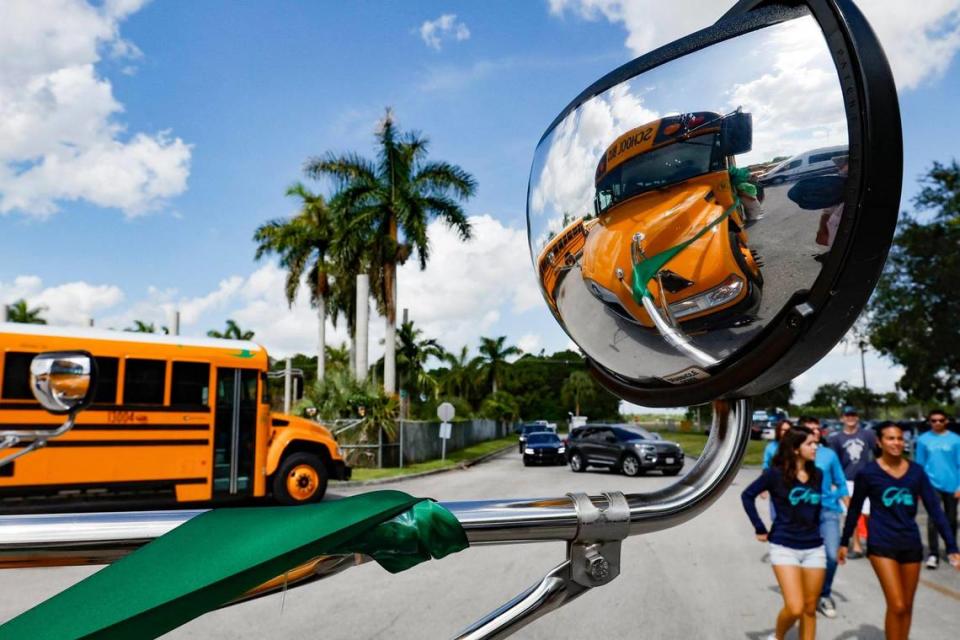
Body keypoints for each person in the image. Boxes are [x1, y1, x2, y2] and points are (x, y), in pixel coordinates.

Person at [839, 422, 960, 640]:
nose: (896, 443)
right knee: (896, 604)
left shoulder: (916, 472)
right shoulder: (869, 473)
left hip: (910, 543)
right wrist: (844, 541)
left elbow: (935, 510)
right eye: (890, 438)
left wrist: (952, 547)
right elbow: (855, 509)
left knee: (906, 606)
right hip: (881, 544)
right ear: (879, 442)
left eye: (900, 439)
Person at [742, 427, 825, 640]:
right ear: (796, 449)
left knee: (809, 608)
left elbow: (814, 510)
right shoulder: (774, 474)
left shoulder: (818, 474)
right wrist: (759, 527)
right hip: (784, 546)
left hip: (815, 547)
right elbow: (747, 495)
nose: (815, 447)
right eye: (810, 443)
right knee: (795, 607)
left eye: (815, 443)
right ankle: (778, 637)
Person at [800, 416, 848, 619]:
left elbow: (841, 482)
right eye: (809, 428)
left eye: (816, 428)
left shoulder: (829, 454)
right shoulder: (794, 453)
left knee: (831, 555)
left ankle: (824, 593)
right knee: (803, 556)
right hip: (802, 513)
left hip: (828, 511)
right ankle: (805, 594)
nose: (814, 431)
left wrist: (846, 506)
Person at [914, 409, 960, 569]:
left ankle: (951, 551)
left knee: (951, 519)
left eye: (941, 420)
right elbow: (919, 464)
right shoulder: (923, 440)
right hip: (930, 484)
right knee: (933, 520)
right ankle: (933, 553)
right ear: (929, 422)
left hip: (952, 484)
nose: (937, 423)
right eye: (933, 420)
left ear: (946, 421)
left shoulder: (956, 440)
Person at [828, 405, 876, 557]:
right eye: (847, 415)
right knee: (852, 514)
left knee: (869, 514)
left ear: (857, 417)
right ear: (842, 418)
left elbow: (877, 453)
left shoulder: (867, 435)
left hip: (866, 479)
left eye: (853, 415)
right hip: (846, 480)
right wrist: (835, 482)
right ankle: (856, 546)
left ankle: (872, 543)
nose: (850, 418)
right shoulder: (836, 438)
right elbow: (834, 461)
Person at [762, 419, 794, 524]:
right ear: (778, 431)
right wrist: (763, 488)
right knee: (776, 518)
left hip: (794, 487)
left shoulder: (796, 447)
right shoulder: (771, 447)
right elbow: (766, 466)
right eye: (783, 430)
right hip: (776, 488)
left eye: (788, 430)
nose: (785, 433)